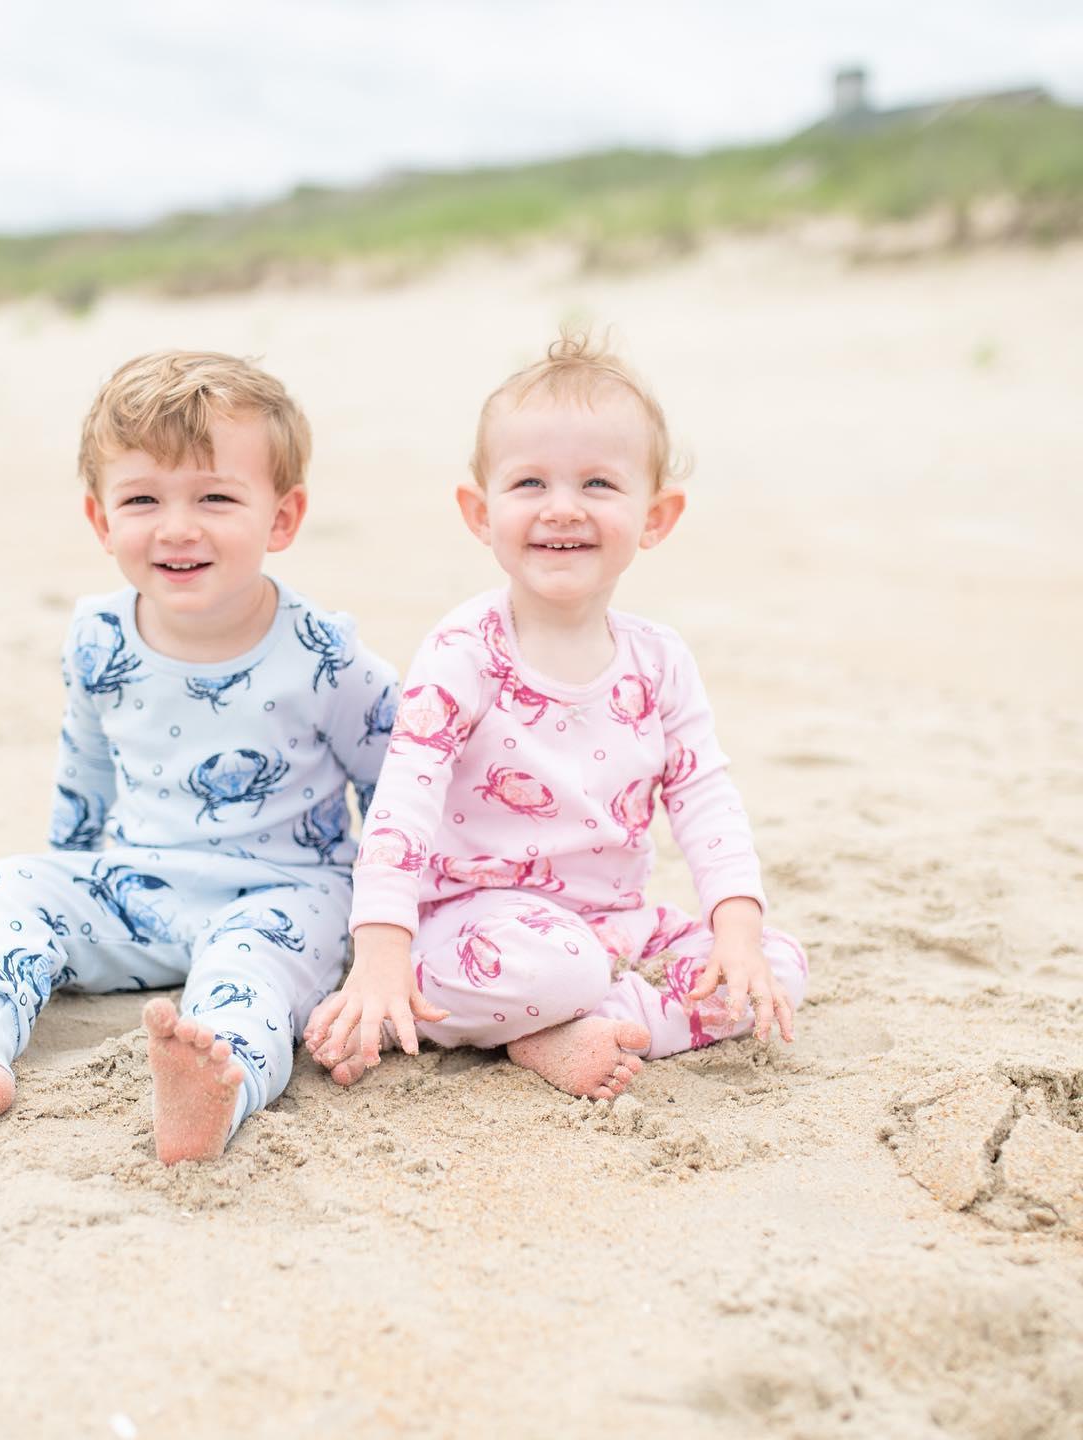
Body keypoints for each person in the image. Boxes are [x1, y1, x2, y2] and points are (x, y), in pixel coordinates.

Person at [0, 350, 397, 1162]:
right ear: (101, 520)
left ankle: (215, 1093)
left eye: (216, 497)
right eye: (143, 499)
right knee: (7, 883)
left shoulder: (327, 657)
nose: (177, 526)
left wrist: (391, 937)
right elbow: (83, 771)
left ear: (282, 518)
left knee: (248, 976)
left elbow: (399, 795)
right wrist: (68, 889)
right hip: (141, 882)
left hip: (289, 893)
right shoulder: (100, 638)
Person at [305, 332, 806, 1100]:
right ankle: (474, 1007)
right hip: (476, 923)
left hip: (612, 924)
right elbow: (402, 803)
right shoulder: (465, 650)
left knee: (773, 968)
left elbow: (707, 799)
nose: (562, 508)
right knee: (552, 964)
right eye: (530, 483)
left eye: (599, 484)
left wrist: (735, 928)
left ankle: (569, 1026)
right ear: (481, 511)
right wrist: (379, 951)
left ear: (656, 516)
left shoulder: (661, 661)